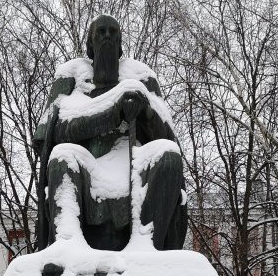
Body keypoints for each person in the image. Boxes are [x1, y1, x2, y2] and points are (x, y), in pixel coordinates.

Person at [34, 14, 187, 253]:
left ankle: (147, 251)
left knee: (168, 154)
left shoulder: (142, 78)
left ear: (120, 43)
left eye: (113, 32)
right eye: (101, 32)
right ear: (90, 45)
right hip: (86, 176)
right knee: (62, 156)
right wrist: (112, 112)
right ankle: (67, 248)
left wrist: (145, 110)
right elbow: (52, 134)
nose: (107, 36)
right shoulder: (71, 79)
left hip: (134, 172)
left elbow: (169, 137)